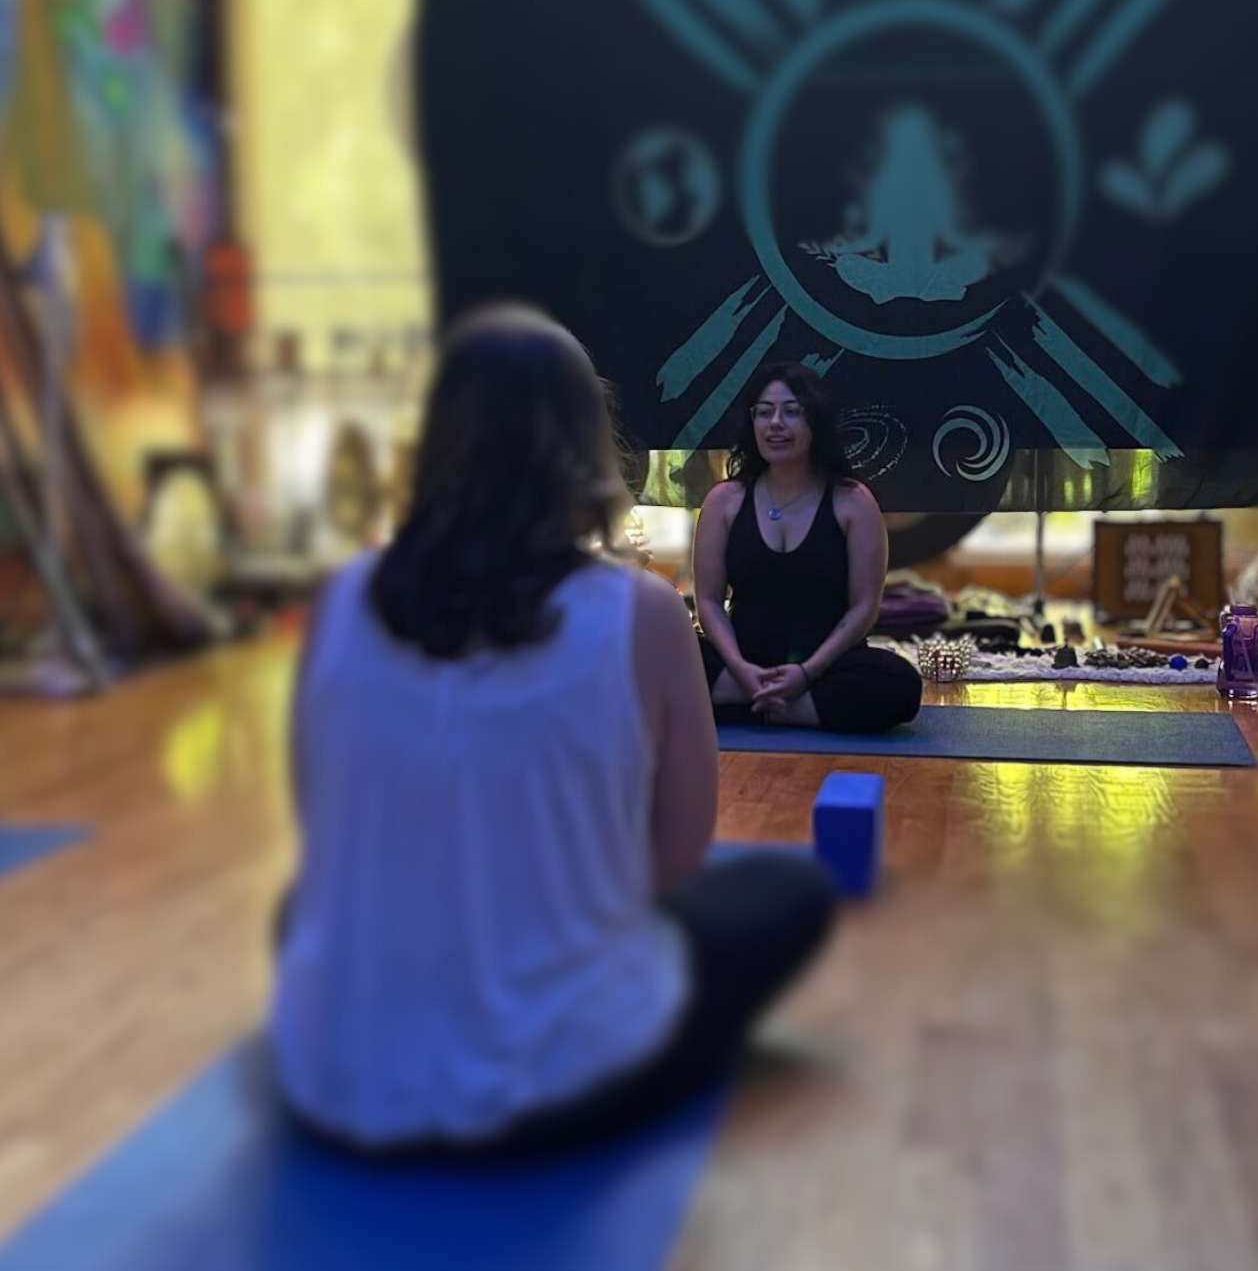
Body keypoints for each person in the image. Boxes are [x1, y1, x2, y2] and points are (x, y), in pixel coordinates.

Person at [271, 305, 837, 1153]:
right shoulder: (639, 613)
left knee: (299, 909)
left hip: (340, 1071)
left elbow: (324, 811)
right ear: (586, 446)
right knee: (789, 893)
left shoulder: (345, 598)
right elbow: (678, 854)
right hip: (553, 1075)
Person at [693, 362, 923, 734]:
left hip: (826, 668)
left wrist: (805, 672)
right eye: (764, 412)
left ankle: (761, 708)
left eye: (791, 412)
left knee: (899, 683)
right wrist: (740, 668)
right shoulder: (725, 500)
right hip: (740, 664)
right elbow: (707, 601)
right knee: (658, 652)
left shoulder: (853, 501)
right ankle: (780, 704)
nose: (775, 424)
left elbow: (864, 606)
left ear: (815, 421)